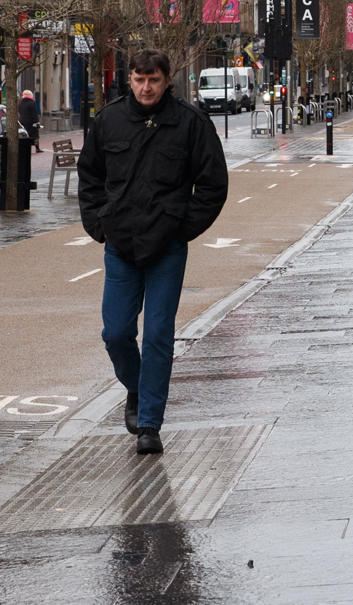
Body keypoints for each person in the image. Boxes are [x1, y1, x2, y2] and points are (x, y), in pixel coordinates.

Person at [77, 48, 228, 455]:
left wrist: (182, 229)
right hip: (121, 246)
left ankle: (149, 424)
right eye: (140, 80)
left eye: (154, 80)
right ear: (130, 80)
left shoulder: (191, 123)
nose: (146, 87)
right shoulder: (108, 121)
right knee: (117, 333)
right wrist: (97, 224)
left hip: (166, 248)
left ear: (166, 81)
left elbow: (213, 184)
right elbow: (90, 175)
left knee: (159, 334)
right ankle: (138, 387)